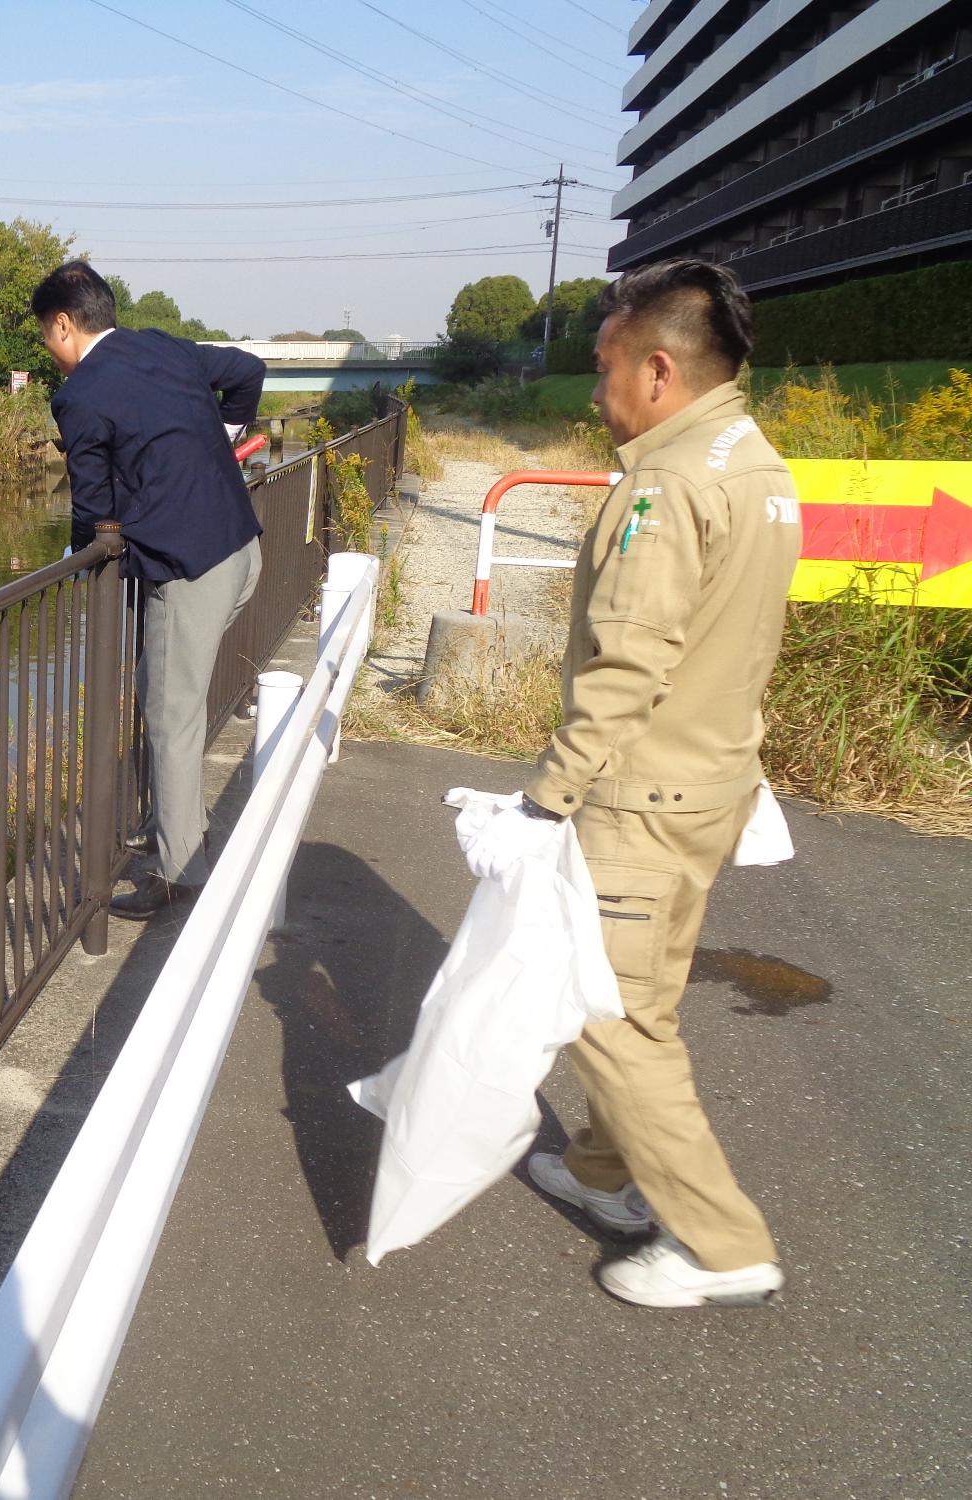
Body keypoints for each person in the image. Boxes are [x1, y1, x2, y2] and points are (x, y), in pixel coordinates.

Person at [461, 259, 801, 1307]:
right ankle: (609, 1175)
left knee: (611, 1019)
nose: (593, 388)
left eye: (604, 364)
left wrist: (541, 800)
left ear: (657, 368)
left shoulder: (666, 483)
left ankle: (721, 1244)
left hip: (641, 798)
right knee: (640, 990)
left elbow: (626, 668)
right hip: (707, 783)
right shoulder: (750, 459)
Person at [30, 260, 266, 919]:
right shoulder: (160, 345)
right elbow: (247, 372)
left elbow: (92, 507)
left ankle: (179, 872)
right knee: (163, 693)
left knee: (170, 717)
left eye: (46, 338)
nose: (49, 352)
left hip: (191, 569)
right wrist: (226, 435)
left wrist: (79, 561)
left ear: (63, 324)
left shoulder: (79, 396)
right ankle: (169, 822)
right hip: (243, 548)